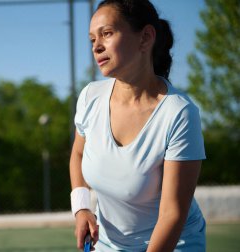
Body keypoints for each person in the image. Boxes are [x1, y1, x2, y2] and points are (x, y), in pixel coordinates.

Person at [69, 0, 206, 251]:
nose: (96, 46)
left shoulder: (180, 114)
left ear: (145, 38)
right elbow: (78, 154)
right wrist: (82, 207)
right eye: (92, 40)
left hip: (174, 243)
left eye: (107, 34)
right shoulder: (90, 97)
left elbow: (172, 214)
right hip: (108, 244)